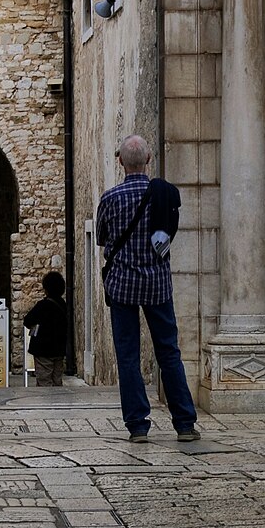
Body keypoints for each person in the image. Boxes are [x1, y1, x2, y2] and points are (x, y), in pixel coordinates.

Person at [96, 135, 200, 443]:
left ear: (121, 163)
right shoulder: (164, 195)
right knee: (168, 352)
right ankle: (184, 423)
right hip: (157, 284)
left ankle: (138, 426)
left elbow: (102, 237)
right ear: (149, 160)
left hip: (123, 285)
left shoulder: (111, 198)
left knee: (127, 355)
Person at [24, 271, 67, 386]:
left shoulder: (42, 306)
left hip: (43, 350)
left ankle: (47, 403)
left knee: (44, 381)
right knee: (57, 380)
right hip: (59, 349)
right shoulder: (64, 305)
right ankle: (59, 402)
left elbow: (27, 320)